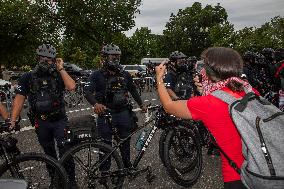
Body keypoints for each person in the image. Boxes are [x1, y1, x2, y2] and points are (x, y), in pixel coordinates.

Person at [155, 47, 254, 189]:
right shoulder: (249, 90)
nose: (201, 71)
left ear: (210, 74)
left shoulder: (208, 104)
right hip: (261, 168)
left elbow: (169, 105)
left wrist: (159, 78)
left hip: (238, 177)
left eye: (204, 68)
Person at [10, 44, 77, 188]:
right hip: (41, 122)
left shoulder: (58, 74)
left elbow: (72, 86)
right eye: (42, 58)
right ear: (37, 58)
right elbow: (19, 98)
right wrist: (13, 120)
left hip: (59, 120)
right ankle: (55, 179)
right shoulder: (28, 76)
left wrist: (61, 68)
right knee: (48, 154)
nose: (45, 61)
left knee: (66, 150)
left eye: (49, 59)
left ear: (54, 60)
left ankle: (71, 181)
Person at [84, 44, 147, 173]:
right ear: (105, 58)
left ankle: (126, 165)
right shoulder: (96, 75)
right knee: (105, 144)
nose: (116, 60)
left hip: (124, 113)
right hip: (106, 114)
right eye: (113, 57)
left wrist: (141, 104)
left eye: (118, 57)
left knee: (125, 141)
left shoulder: (125, 74)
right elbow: (87, 91)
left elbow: (133, 90)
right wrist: (96, 104)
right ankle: (104, 170)